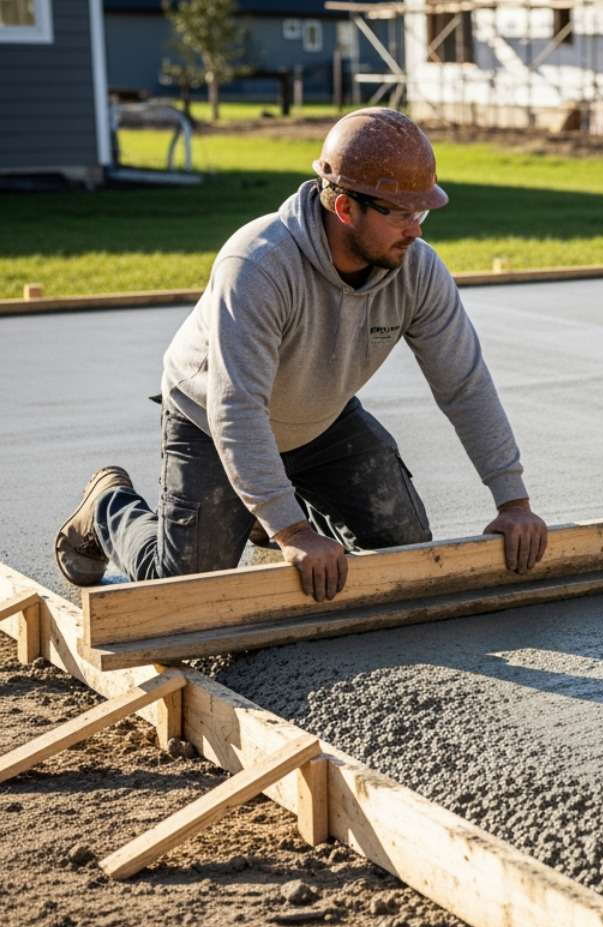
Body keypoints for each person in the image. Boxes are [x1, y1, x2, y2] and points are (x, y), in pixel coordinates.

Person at [55, 108, 547, 601]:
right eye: (400, 214)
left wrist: (513, 500)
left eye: (421, 213)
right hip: (212, 417)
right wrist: (293, 532)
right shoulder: (257, 265)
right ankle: (107, 506)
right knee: (185, 588)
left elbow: (465, 384)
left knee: (404, 551)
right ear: (346, 208)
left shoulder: (417, 270)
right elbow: (238, 408)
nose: (415, 230)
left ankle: (258, 513)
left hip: (319, 418)